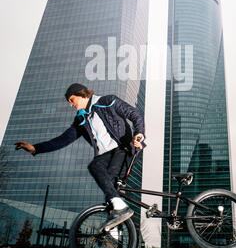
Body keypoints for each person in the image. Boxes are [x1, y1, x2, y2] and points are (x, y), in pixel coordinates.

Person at [15, 83, 145, 231]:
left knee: (98, 169)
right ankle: (114, 231)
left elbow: (134, 114)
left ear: (82, 95)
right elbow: (62, 140)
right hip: (108, 156)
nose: (71, 105)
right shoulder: (81, 120)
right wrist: (35, 148)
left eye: (72, 100)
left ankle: (120, 212)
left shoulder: (107, 102)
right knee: (110, 192)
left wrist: (138, 134)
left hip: (124, 149)